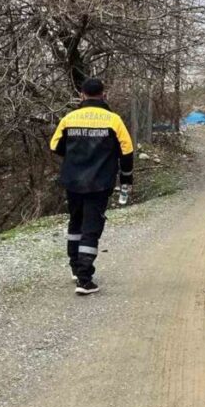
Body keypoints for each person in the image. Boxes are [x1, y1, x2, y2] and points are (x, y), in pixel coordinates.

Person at [50, 78, 135, 295]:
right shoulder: (113, 120)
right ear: (103, 94)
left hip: (73, 180)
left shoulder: (69, 118)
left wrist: (76, 156)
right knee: (91, 227)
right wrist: (126, 180)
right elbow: (127, 151)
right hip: (100, 181)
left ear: (82, 95)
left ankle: (75, 267)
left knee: (75, 222)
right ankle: (84, 279)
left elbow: (55, 146)